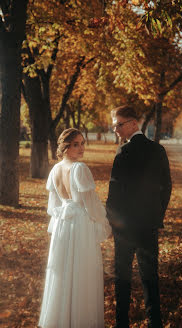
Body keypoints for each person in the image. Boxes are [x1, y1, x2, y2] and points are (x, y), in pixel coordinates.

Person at [106, 105, 172, 328]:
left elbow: (114, 193)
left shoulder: (123, 152)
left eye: (119, 124)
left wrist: (113, 222)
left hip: (125, 228)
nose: (116, 129)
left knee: (122, 277)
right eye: (114, 125)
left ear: (133, 123)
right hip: (149, 225)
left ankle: (121, 323)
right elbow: (167, 189)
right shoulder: (158, 150)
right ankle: (155, 323)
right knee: (150, 276)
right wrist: (157, 214)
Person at [38, 128, 111, 328]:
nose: (81, 148)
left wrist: (60, 221)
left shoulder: (55, 169)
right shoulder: (79, 169)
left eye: (82, 143)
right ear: (65, 147)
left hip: (63, 224)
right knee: (81, 270)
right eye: (76, 144)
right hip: (79, 225)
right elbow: (90, 203)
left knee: (63, 271)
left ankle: (62, 319)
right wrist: (104, 221)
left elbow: (53, 206)